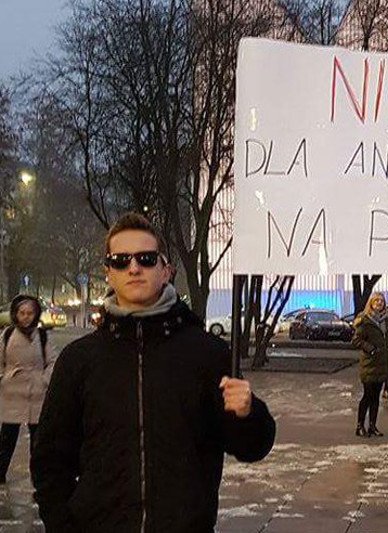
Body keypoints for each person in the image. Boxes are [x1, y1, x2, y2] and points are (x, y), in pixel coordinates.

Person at [31, 213, 276, 532]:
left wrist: (248, 413)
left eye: (146, 259)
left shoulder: (207, 354)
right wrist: (63, 525)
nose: (133, 268)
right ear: (109, 273)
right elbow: (50, 459)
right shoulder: (79, 360)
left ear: (166, 270)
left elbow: (252, 447)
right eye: (120, 261)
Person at [0, 295, 58, 484]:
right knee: (7, 439)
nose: (26, 317)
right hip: (12, 395)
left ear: (36, 314)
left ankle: (39, 479)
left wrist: (44, 379)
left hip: (37, 395)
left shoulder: (42, 337)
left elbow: (52, 362)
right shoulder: (7, 335)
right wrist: (5, 377)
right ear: (16, 314)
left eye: (30, 313)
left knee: (38, 441)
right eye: (22, 313)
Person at [352, 292, 388, 437]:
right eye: (376, 301)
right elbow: (356, 340)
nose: (379, 303)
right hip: (369, 364)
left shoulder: (386, 320)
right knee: (367, 396)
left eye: (381, 301)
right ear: (371, 303)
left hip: (382, 364)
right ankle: (359, 425)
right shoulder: (365, 320)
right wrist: (371, 349)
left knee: (376, 397)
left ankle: (372, 426)